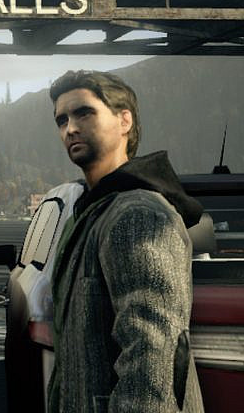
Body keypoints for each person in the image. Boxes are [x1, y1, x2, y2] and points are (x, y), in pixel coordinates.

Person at [46, 70, 204, 413]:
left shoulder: (136, 213)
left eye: (84, 113)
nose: (70, 128)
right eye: (62, 120)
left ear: (124, 121)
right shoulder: (94, 213)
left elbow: (154, 352)